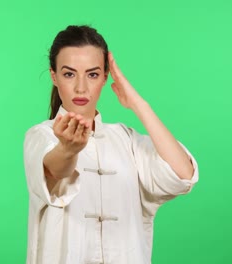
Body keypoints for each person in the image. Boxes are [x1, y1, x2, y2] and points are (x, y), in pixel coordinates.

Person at [23, 25, 199, 264]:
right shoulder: (41, 135)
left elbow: (183, 173)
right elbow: (54, 171)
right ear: (54, 76)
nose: (81, 87)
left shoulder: (125, 139)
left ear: (106, 77)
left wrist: (138, 104)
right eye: (69, 74)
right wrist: (68, 150)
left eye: (93, 74)